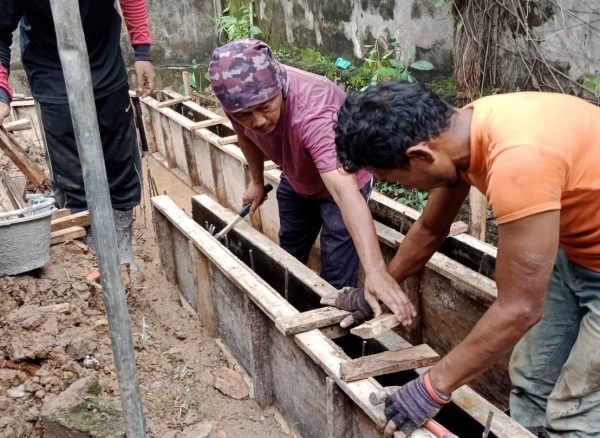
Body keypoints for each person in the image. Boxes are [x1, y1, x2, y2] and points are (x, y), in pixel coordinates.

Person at [334, 81, 600, 438]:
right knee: (533, 382)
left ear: (421, 157)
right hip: (577, 246)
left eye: (393, 179)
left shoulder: (518, 160)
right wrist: (380, 290)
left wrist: (432, 387)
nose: (406, 189)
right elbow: (430, 228)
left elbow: (519, 307)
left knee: (576, 413)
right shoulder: (461, 132)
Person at [209, 39, 416, 327]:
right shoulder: (237, 102)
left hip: (342, 185)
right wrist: (257, 182)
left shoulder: (316, 112)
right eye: (245, 115)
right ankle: (286, 308)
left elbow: (344, 192)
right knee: (289, 249)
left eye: (265, 108)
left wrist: (377, 270)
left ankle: (332, 336)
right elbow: (246, 136)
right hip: (296, 175)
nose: (257, 121)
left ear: (279, 86)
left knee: (335, 273)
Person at [0, 0, 156, 268]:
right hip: (49, 63)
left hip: (103, 55)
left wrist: (142, 51)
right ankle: (91, 254)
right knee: (70, 170)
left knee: (119, 157)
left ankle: (122, 250)